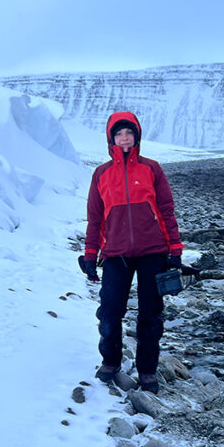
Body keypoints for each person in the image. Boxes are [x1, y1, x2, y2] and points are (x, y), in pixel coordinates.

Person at [83, 110, 184, 394]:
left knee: (151, 314)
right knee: (110, 311)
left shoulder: (151, 169)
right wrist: (91, 255)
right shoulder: (101, 173)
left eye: (129, 133)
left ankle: (148, 371)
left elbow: (166, 211)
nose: (124, 138)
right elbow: (95, 218)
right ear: (111, 138)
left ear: (137, 136)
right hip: (115, 253)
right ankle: (110, 362)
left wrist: (175, 249)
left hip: (153, 251)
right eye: (119, 133)